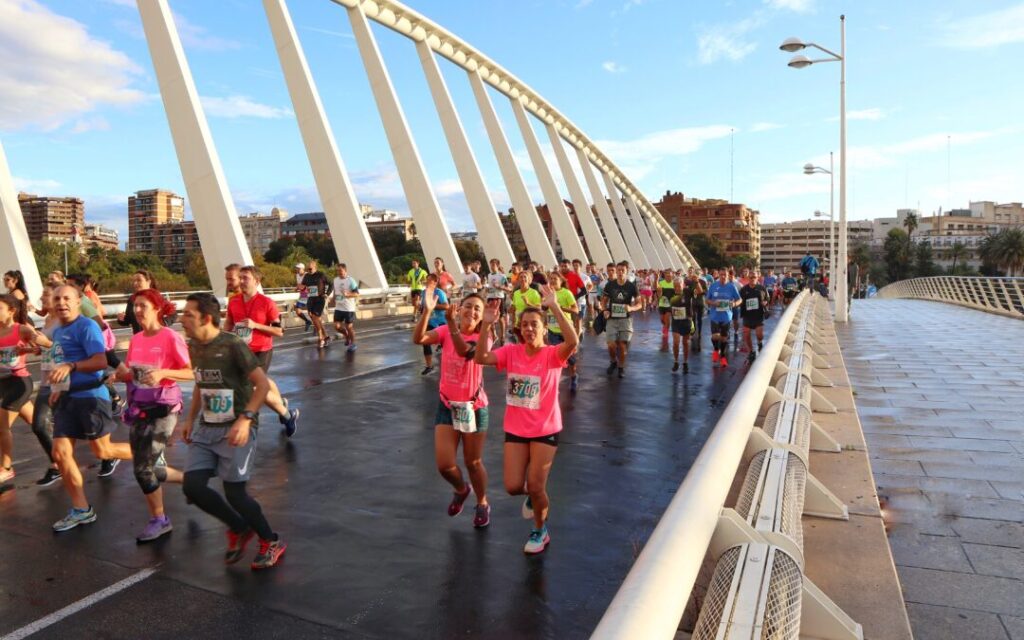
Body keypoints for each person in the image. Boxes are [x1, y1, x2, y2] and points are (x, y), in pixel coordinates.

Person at [180, 293, 286, 570]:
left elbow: (261, 386)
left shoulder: (233, 345)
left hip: (237, 425)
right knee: (192, 486)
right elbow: (201, 384)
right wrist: (190, 419)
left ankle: (270, 540)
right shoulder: (194, 346)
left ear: (206, 318)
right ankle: (238, 527)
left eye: (188, 314)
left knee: (235, 493)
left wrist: (246, 418)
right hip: (208, 425)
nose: (182, 319)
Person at [474, 285, 577, 554]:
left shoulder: (552, 355)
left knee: (535, 484)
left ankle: (540, 530)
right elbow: (481, 357)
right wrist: (486, 325)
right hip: (516, 429)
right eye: (525, 325)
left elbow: (573, 342)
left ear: (544, 329)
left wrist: (554, 306)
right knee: (512, 486)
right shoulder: (511, 352)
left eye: (534, 325)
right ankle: (535, 498)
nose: (529, 329)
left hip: (545, 429)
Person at [48, 285, 133, 532]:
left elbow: (100, 360)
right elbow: (61, 364)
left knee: (103, 451)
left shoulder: (86, 326)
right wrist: (57, 388)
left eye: (66, 298)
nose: (61, 302)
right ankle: (81, 509)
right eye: (57, 298)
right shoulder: (57, 331)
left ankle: (146, 452)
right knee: (60, 453)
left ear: (77, 302)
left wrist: (72, 367)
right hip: (67, 398)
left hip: (91, 397)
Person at [112, 289, 189, 542]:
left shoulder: (170, 337)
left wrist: (163, 373)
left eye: (143, 305)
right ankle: (190, 482)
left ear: (157, 308)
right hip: (140, 407)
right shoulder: (137, 339)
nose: (137, 311)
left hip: (164, 407)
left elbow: (193, 372)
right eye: (135, 306)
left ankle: (160, 519)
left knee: (143, 469)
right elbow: (134, 373)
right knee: (148, 465)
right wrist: (122, 377)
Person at [413, 286, 492, 528]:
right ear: (459, 309)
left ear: (483, 315)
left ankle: (482, 502)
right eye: (467, 306)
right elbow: (419, 339)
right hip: (447, 405)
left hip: (474, 407)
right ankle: (461, 489)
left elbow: (464, 351)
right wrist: (426, 312)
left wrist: (454, 327)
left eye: (477, 308)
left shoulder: (484, 337)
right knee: (445, 465)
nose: (471, 311)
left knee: (473, 462)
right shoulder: (446, 330)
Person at [224, 265, 300, 437]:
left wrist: (255, 325)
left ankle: (287, 416)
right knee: (263, 382)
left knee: (255, 387)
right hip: (241, 350)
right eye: (240, 277)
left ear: (257, 281)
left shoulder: (267, 303)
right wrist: (223, 339)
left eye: (246, 278)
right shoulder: (234, 301)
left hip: (261, 351)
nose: (241, 281)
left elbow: (279, 331)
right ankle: (284, 408)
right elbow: (229, 322)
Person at [0, 295, 47, 483]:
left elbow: (40, 347)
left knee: (2, 427)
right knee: (39, 425)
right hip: (3, 383)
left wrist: (30, 347)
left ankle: (6, 467)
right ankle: (59, 456)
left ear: (11, 311)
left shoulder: (21, 329)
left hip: (19, 383)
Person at [27, 286, 63, 486]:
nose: (41, 298)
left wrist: (46, 344)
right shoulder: (48, 320)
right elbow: (48, 348)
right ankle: (56, 464)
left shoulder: (65, 321)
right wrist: (33, 348)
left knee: (75, 427)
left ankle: (106, 454)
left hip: (64, 380)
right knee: (40, 425)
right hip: (47, 378)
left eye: (45, 295)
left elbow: (69, 350)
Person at [601, 262, 642, 379]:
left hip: (625, 319)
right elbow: (603, 301)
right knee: (611, 344)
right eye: (618, 270)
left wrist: (631, 308)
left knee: (622, 345)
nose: (619, 272)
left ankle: (621, 367)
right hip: (612, 318)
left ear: (627, 271)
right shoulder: (610, 285)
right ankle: (613, 361)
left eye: (622, 270)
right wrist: (604, 310)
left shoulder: (631, 286)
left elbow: (640, 304)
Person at [545, 272, 580, 391]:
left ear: (561, 281)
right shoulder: (547, 293)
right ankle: (554, 382)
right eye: (551, 279)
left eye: (555, 279)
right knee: (555, 357)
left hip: (566, 331)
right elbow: (543, 309)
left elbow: (575, 310)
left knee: (570, 358)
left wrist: (559, 308)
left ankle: (574, 376)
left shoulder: (566, 293)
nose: (553, 281)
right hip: (552, 330)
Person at [706, 270, 742, 369]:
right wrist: (714, 303)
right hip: (715, 315)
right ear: (719, 275)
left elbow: (740, 299)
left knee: (724, 338)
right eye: (721, 274)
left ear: (728, 275)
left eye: (725, 275)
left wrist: (734, 304)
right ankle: (716, 349)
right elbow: (707, 299)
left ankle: (722, 357)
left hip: (726, 316)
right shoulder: (713, 286)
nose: (723, 276)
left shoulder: (732, 286)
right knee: (715, 336)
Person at [419, 273, 449, 375]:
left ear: (435, 282)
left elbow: (446, 306)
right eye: (426, 280)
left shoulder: (439, 292)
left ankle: (449, 364)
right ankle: (429, 365)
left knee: (446, 345)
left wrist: (433, 306)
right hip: (430, 321)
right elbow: (423, 306)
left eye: (429, 280)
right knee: (425, 341)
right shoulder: (423, 292)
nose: (427, 282)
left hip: (441, 322)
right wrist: (422, 310)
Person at [118, 270, 160, 334]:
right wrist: (121, 319)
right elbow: (127, 320)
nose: (135, 283)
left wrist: (164, 323)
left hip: (157, 337)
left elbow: (172, 314)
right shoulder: (132, 299)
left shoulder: (156, 297)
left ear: (148, 282)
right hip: (139, 338)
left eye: (139, 280)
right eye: (134, 281)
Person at [301, 260, 331, 349]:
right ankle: (326, 336)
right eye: (308, 269)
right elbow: (303, 287)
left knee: (315, 317)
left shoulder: (321, 275)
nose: (309, 270)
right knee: (314, 318)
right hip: (310, 299)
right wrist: (300, 289)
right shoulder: (306, 276)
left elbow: (331, 283)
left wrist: (327, 294)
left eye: (310, 269)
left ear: (315, 267)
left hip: (319, 299)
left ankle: (321, 338)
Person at [669, 279, 696, 374]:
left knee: (685, 343)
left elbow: (698, 291)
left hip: (686, 321)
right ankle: (676, 361)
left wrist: (695, 281)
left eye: (679, 285)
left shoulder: (688, 292)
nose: (677, 288)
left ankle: (685, 362)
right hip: (676, 322)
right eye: (675, 286)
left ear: (683, 285)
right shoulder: (671, 295)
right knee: (676, 342)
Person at [739, 277, 769, 363]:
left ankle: (759, 342)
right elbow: (739, 300)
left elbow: (767, 299)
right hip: (747, 315)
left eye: (754, 277)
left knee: (759, 335)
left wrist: (765, 302)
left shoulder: (762, 288)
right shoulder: (744, 289)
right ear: (749, 279)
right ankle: (751, 352)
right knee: (746, 335)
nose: (752, 279)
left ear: (757, 278)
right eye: (751, 277)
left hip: (758, 315)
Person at [485, 259, 510, 346]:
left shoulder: (502, 276)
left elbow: (508, 288)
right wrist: (487, 289)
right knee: (490, 317)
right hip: (490, 297)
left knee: (500, 318)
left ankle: (502, 336)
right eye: (490, 265)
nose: (491, 267)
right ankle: (494, 335)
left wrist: (499, 287)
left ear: (498, 265)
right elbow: (489, 286)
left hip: (499, 298)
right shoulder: (489, 275)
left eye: (493, 265)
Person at [510, 270, 541, 338]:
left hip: (529, 325)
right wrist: (513, 324)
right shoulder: (516, 293)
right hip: (518, 324)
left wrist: (528, 304)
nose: (523, 279)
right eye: (521, 277)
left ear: (529, 280)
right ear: (518, 280)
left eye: (525, 277)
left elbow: (539, 308)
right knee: (519, 345)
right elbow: (514, 310)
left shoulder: (534, 293)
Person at [686, 270, 706, 353]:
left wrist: (697, 283)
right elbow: (689, 293)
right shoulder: (690, 283)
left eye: (695, 276)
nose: (694, 278)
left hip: (700, 302)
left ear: (698, 276)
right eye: (693, 276)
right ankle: (693, 332)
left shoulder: (702, 282)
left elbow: (702, 292)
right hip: (693, 302)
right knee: (693, 318)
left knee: (700, 319)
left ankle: (700, 332)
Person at [292, 264, 313, 332]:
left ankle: (317, 327)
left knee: (311, 313)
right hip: (303, 295)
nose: (297, 270)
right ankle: (308, 321)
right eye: (296, 268)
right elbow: (299, 285)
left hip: (310, 295)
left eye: (298, 268)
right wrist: (297, 288)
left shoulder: (307, 275)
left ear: (302, 269)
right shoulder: (297, 275)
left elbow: (310, 285)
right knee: (297, 310)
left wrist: (303, 287)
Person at [656, 270, 675, 337]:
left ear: (672, 276)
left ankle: (666, 331)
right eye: (667, 276)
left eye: (669, 276)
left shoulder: (674, 283)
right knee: (662, 319)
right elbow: (658, 294)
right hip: (662, 304)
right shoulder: (661, 283)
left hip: (670, 304)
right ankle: (665, 326)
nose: (668, 277)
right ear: (665, 276)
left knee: (667, 318)